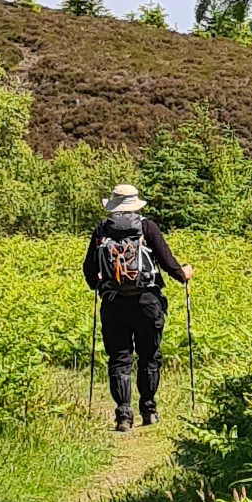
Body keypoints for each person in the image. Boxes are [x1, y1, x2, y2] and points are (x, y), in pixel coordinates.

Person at [82, 183, 190, 431]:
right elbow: (167, 262)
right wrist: (183, 274)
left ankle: (123, 415)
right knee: (149, 356)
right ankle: (148, 410)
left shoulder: (101, 230)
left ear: (113, 205)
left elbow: (88, 269)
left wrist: (98, 285)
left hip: (113, 303)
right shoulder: (147, 227)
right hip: (147, 302)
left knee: (119, 359)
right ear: (135, 204)